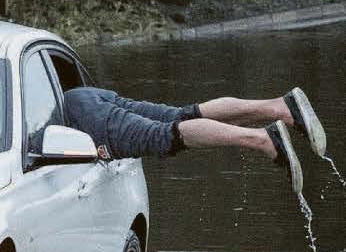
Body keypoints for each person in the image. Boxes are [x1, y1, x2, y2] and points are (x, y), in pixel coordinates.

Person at [60, 86, 328, 194]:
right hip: (85, 98)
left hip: (83, 116)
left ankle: (261, 138)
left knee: (165, 136)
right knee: (182, 116)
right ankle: (280, 107)